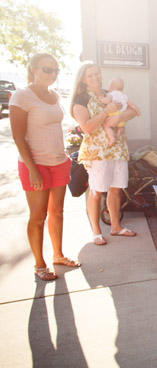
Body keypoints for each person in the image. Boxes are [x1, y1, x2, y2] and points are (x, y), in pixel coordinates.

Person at [9, 53, 80, 280]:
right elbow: (19, 137)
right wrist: (32, 170)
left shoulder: (55, 95)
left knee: (57, 212)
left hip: (58, 162)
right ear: (33, 69)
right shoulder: (22, 96)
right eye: (47, 69)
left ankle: (58, 255)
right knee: (38, 216)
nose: (52, 74)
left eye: (56, 70)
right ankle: (40, 264)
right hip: (36, 164)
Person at [70, 62, 139, 245]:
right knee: (96, 191)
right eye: (90, 75)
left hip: (117, 149)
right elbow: (87, 127)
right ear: (83, 79)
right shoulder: (81, 99)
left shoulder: (109, 93)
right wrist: (106, 112)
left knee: (116, 188)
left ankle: (116, 226)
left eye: (97, 73)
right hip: (97, 152)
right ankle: (96, 231)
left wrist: (119, 117)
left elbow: (132, 110)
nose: (95, 78)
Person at [99, 77, 141, 147]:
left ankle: (112, 137)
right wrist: (138, 111)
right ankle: (118, 135)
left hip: (113, 114)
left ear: (111, 87)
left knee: (106, 126)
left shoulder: (111, 94)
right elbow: (132, 105)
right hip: (122, 116)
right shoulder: (124, 96)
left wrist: (101, 99)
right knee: (121, 127)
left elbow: (108, 101)